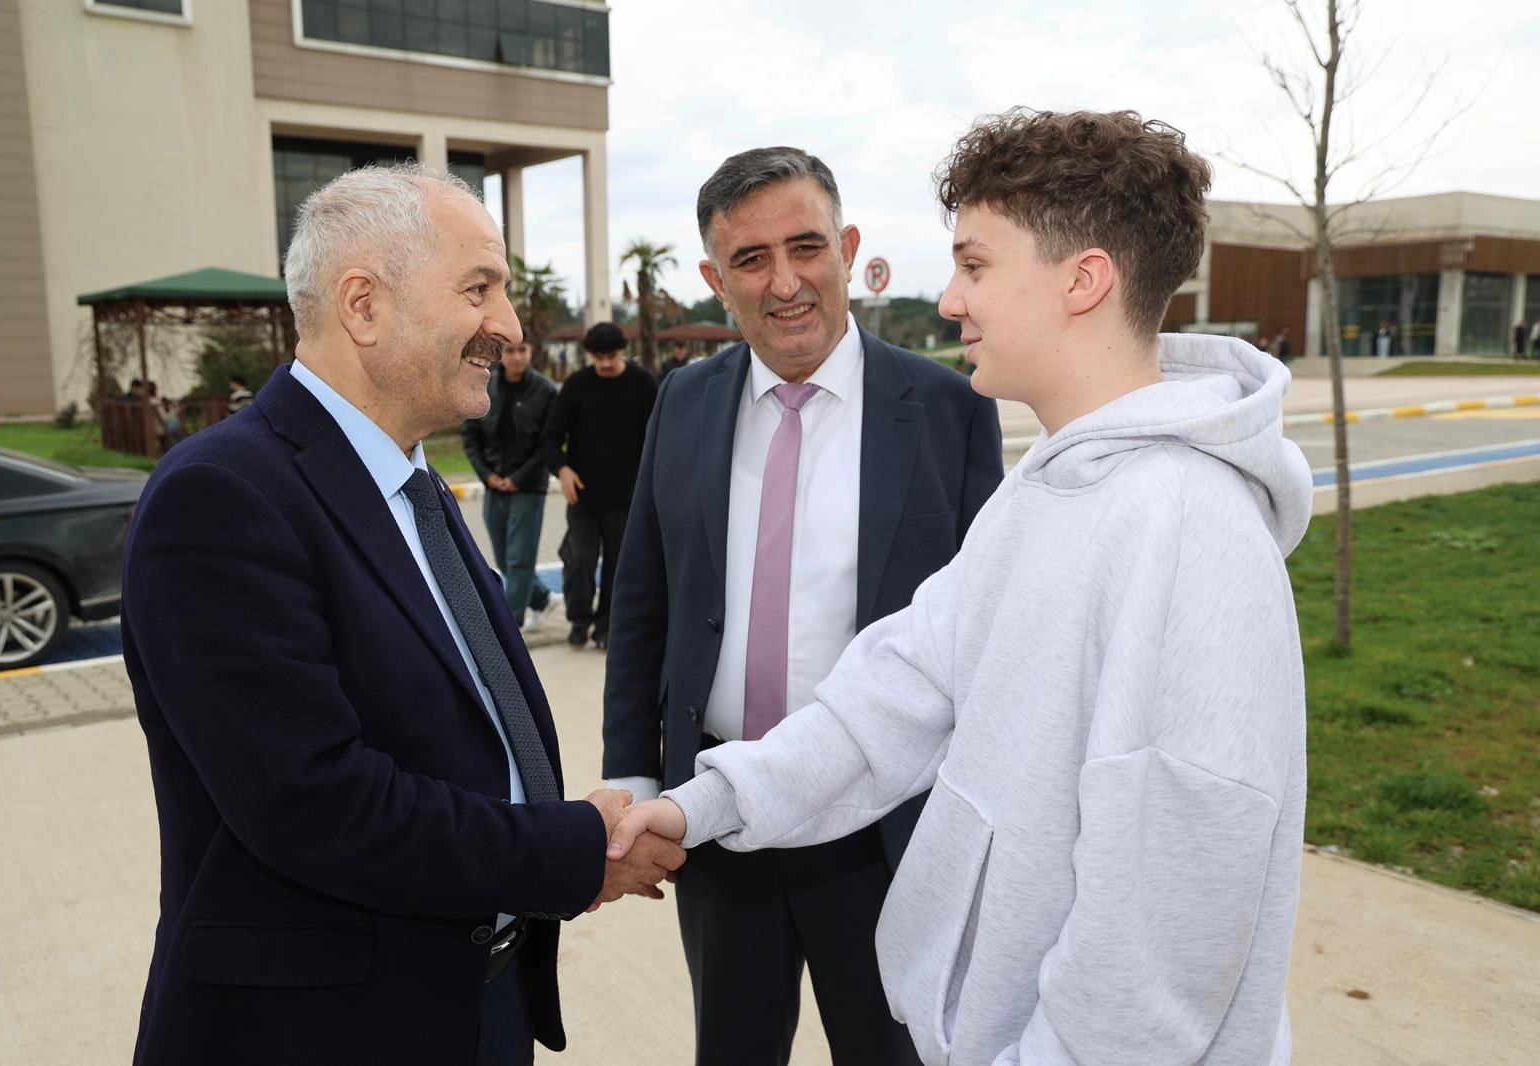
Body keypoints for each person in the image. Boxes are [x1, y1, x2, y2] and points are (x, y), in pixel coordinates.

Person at [613, 110, 1313, 1065]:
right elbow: (894, 695)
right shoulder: (1043, 495)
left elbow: (1153, 970)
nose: (949, 301)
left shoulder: (1190, 533)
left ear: (1082, 280)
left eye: (975, 266)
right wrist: (701, 804)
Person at [120, 163, 683, 1066]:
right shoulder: (221, 497)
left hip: (477, 1003)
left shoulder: (410, 480)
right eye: (479, 289)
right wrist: (573, 847)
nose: (510, 326)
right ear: (363, 305)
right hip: (326, 1032)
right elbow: (318, 805)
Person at [603, 146, 1004, 1066]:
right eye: (751, 260)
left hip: (884, 826)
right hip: (716, 817)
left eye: (806, 247)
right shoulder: (683, 402)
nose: (784, 283)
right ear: (716, 281)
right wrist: (635, 779)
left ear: (848, 248)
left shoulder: (947, 410)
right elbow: (643, 602)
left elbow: (986, 637)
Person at [542, 321, 658, 650]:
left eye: (611, 356)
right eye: (598, 357)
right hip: (583, 495)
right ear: (590, 355)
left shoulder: (642, 384)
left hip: (628, 496)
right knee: (580, 558)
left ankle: (607, 626)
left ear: (622, 352)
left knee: (618, 565)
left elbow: (660, 434)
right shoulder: (577, 386)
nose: (605, 363)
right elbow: (551, 437)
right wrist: (562, 469)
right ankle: (579, 620)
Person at [461, 340, 561, 630]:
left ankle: (509, 628)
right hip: (494, 485)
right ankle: (542, 599)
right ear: (502, 354)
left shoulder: (544, 390)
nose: (517, 357)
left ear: (530, 352)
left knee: (519, 560)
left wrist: (518, 479)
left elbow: (547, 443)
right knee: (506, 559)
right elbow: (471, 435)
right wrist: (487, 475)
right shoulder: (486, 384)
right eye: (511, 351)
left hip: (528, 487)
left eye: (522, 350)